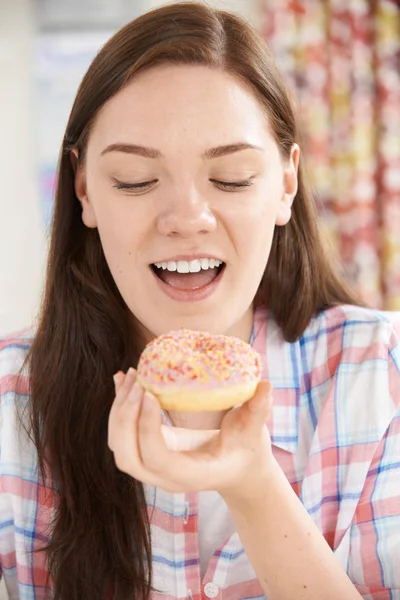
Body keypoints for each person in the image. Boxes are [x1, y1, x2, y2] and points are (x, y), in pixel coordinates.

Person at [0, 2, 399, 599]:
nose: (187, 219)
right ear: (84, 191)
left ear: (285, 185)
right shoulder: (11, 396)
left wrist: (254, 486)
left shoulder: (382, 373)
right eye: (135, 180)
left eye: (232, 178)